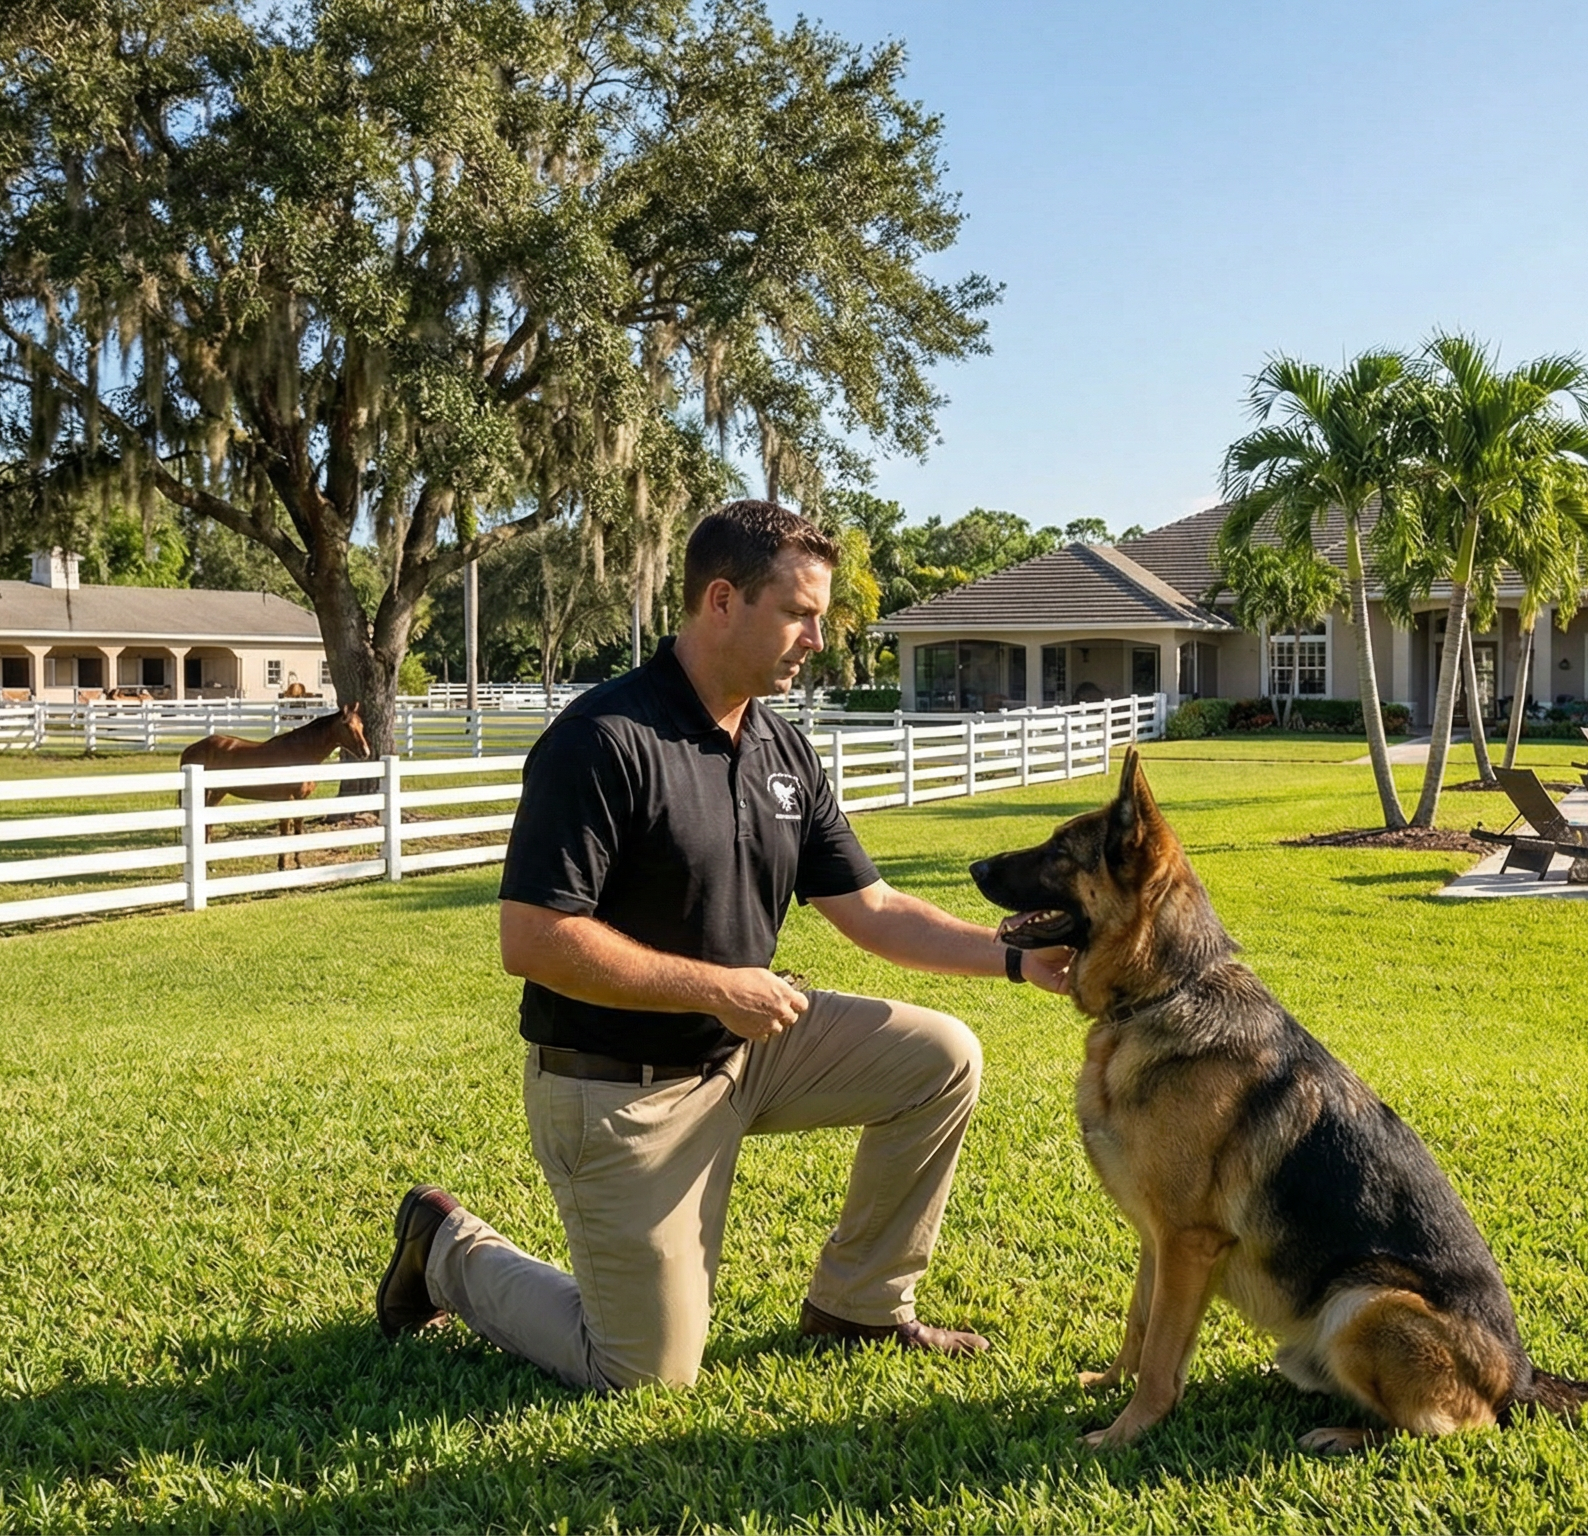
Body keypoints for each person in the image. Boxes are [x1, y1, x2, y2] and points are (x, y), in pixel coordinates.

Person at [374, 499, 1072, 1390]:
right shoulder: (602, 740)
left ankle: (858, 1304)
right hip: (620, 1089)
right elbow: (535, 939)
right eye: (799, 613)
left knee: (941, 1057)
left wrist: (1016, 957)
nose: (817, 638)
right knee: (642, 1371)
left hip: (750, 1050)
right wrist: (717, 988)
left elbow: (873, 909)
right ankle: (445, 1249)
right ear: (720, 602)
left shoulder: (779, 745)